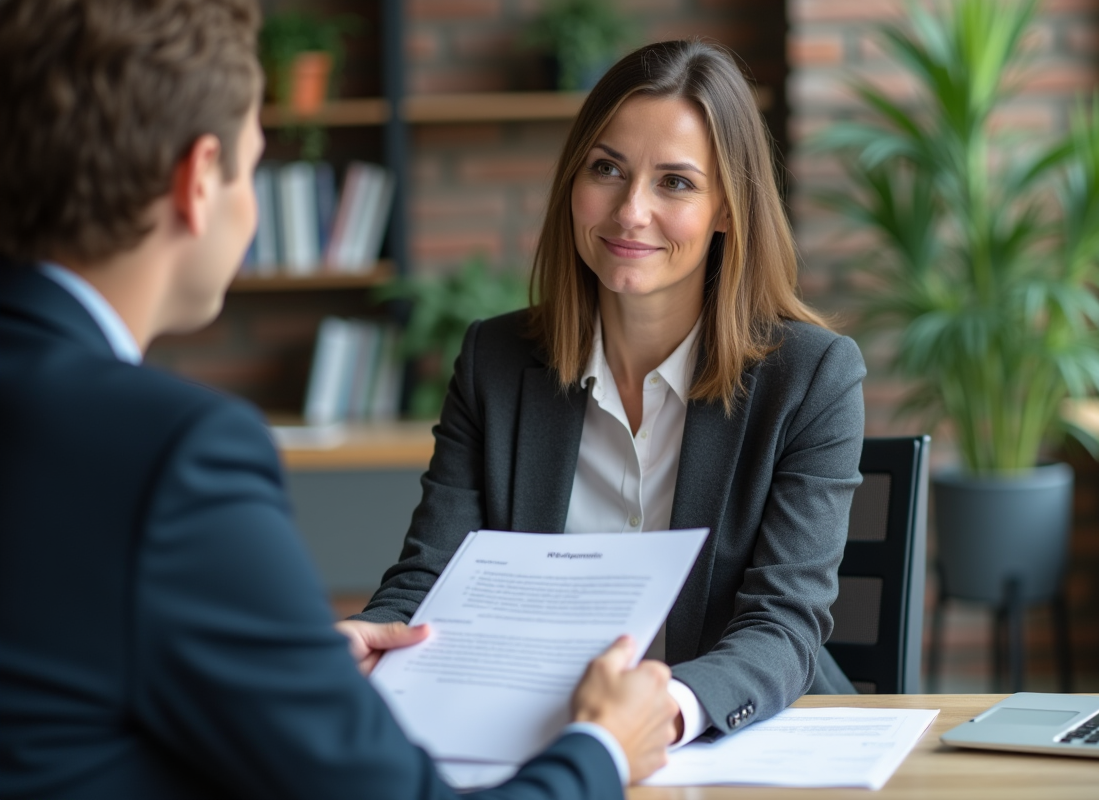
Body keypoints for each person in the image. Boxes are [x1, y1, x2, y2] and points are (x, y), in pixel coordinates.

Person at [0, 1, 678, 797]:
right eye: (254, 167)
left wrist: (281, 664)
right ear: (196, 180)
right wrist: (600, 747)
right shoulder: (174, 455)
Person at [340, 39, 866, 745]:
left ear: (727, 210)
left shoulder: (812, 377)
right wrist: (374, 638)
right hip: (532, 738)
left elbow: (784, 624)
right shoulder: (494, 362)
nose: (629, 212)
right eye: (607, 169)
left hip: (730, 743)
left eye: (675, 182)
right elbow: (432, 575)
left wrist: (665, 713)